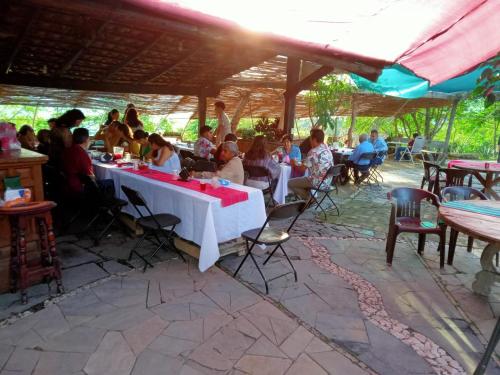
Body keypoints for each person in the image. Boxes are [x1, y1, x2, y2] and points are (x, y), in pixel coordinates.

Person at [288, 128, 333, 201]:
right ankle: (309, 198)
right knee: (304, 181)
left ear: (314, 139)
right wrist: (304, 162)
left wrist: (294, 164)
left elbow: (302, 170)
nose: (310, 141)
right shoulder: (327, 150)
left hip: (316, 183)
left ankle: (310, 198)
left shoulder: (313, 152)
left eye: (310, 139)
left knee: (290, 183)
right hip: (327, 182)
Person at [62, 127, 93, 196]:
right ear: (87, 139)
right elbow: (90, 177)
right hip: (78, 186)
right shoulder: (82, 154)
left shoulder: (67, 150)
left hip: (67, 183)